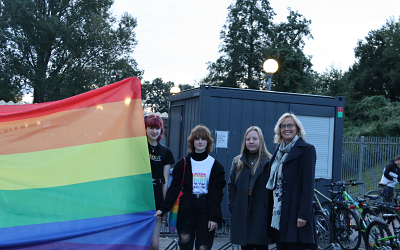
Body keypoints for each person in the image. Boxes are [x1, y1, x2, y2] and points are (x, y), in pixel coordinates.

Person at [154, 125, 226, 250]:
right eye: (197, 139)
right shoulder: (182, 164)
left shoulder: (216, 165)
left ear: (208, 142)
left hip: (206, 210)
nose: (200, 142)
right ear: (192, 141)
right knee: (185, 245)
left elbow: (217, 194)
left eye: (203, 139)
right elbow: (174, 189)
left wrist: (214, 217)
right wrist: (163, 209)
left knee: (204, 247)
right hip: (186, 210)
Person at [266, 113, 317, 250]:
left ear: (297, 129)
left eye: (290, 125)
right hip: (280, 213)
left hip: (296, 212)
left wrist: (303, 214)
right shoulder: (278, 150)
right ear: (279, 130)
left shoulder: (307, 149)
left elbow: (308, 185)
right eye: (283, 126)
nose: (286, 129)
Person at [228, 126, 272, 250]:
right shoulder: (238, 161)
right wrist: (233, 207)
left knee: (261, 245)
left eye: (254, 139)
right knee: (245, 245)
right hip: (243, 208)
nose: (251, 142)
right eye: (248, 139)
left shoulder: (269, 161)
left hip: (260, 210)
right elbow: (231, 185)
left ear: (261, 141)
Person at [144, 114, 175, 250]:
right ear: (145, 129)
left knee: (154, 244)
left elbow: (165, 180)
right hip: (140, 194)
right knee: (139, 240)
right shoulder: (138, 148)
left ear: (161, 130)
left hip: (156, 196)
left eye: (157, 128)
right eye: (151, 127)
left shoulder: (166, 151)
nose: (154, 131)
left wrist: (163, 207)